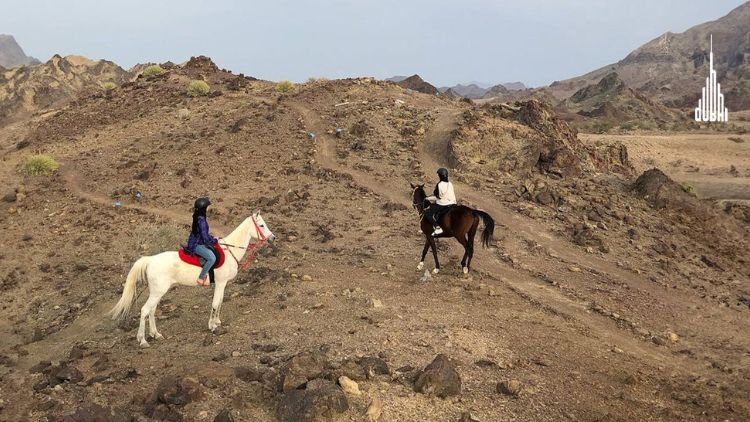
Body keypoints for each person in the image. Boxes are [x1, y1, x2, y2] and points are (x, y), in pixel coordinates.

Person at [186, 197, 218, 286]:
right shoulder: (201, 220)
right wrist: (214, 240)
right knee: (212, 258)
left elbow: (203, 234)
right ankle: (201, 277)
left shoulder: (198, 216)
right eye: (207, 206)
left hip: (197, 241)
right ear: (203, 207)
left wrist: (213, 237)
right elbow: (205, 237)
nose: (209, 208)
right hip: (196, 244)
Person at [425, 168, 457, 236]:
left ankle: (437, 227)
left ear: (440, 176)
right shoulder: (450, 184)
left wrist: (427, 198)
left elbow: (438, 196)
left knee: (427, 212)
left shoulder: (439, 184)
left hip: (444, 203)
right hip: (453, 202)